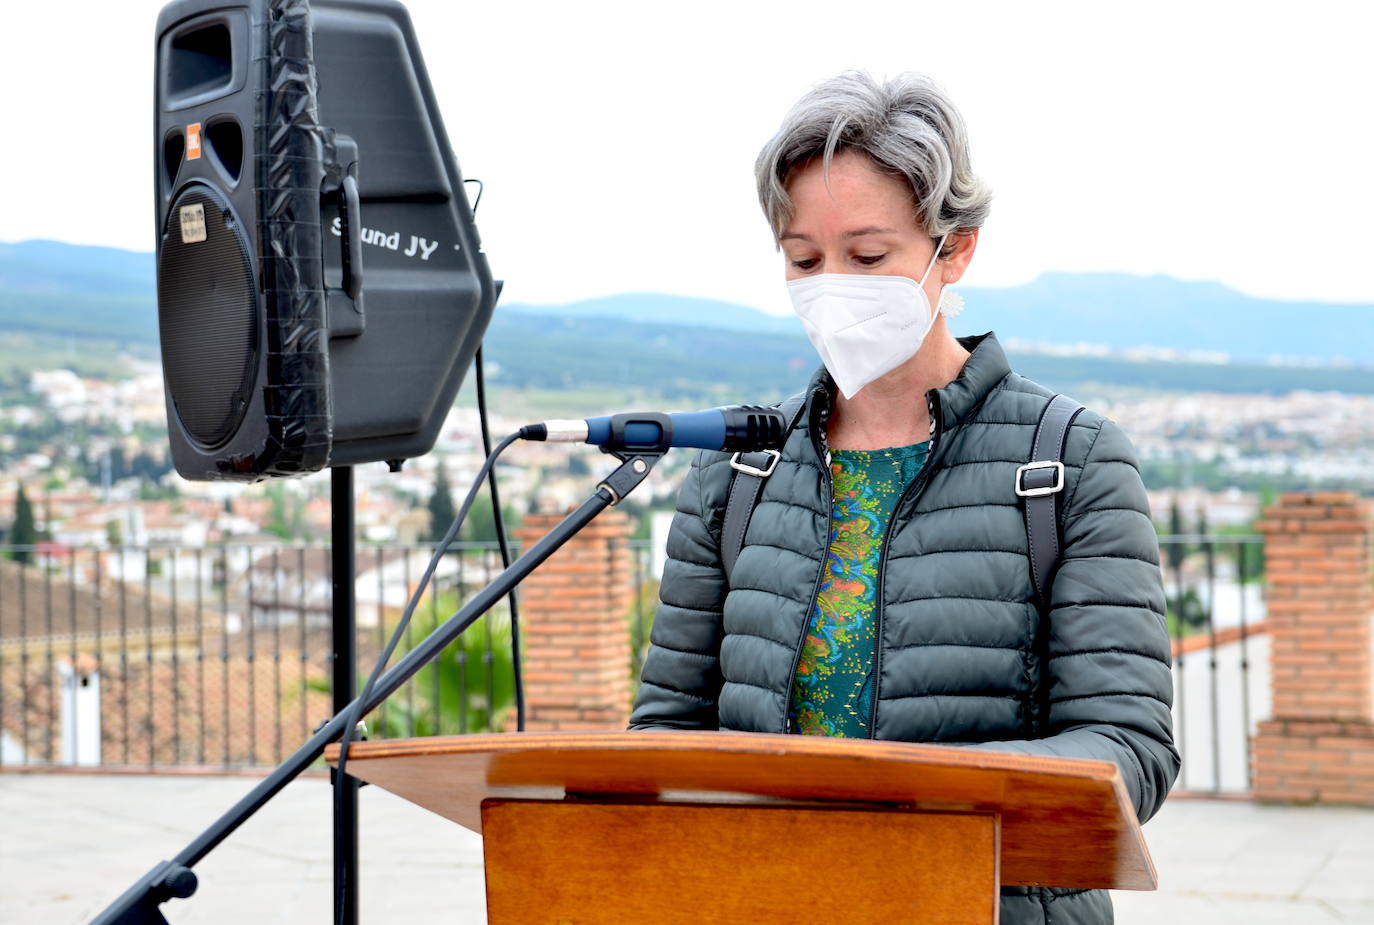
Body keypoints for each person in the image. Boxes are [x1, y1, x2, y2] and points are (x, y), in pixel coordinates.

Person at [628, 70, 1179, 924]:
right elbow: (665, 730)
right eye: (803, 258)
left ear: (954, 249)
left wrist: (913, 812)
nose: (831, 284)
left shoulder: (1068, 460)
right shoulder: (737, 470)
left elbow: (1129, 747)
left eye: (869, 255)